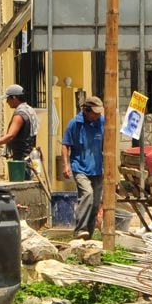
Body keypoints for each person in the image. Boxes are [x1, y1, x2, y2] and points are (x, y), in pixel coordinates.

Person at [61, 96, 105, 239]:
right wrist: (66, 165)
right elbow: (65, 144)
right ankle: (80, 229)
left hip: (97, 169)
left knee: (95, 203)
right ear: (86, 110)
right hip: (79, 167)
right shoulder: (75, 124)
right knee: (87, 194)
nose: (98, 115)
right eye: (95, 112)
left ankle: (88, 235)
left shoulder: (102, 122)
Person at [0, 84, 39, 160]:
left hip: (21, 159)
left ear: (14, 98)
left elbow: (10, 135)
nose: (7, 101)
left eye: (8, 98)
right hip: (29, 156)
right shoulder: (29, 110)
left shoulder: (20, 114)